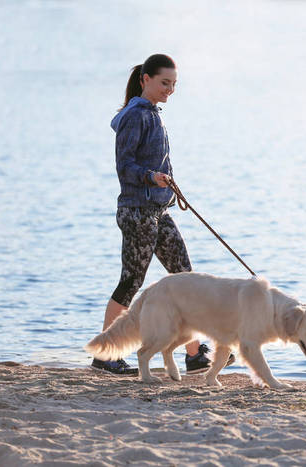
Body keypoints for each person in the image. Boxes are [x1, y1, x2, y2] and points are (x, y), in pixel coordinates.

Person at [92, 54, 228, 375]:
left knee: (185, 276)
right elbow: (125, 167)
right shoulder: (134, 117)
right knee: (131, 282)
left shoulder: (154, 114)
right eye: (164, 83)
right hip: (137, 211)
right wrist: (151, 176)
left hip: (158, 210)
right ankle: (105, 356)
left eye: (174, 84)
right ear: (145, 79)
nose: (170, 89)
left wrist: (162, 182)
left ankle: (194, 354)